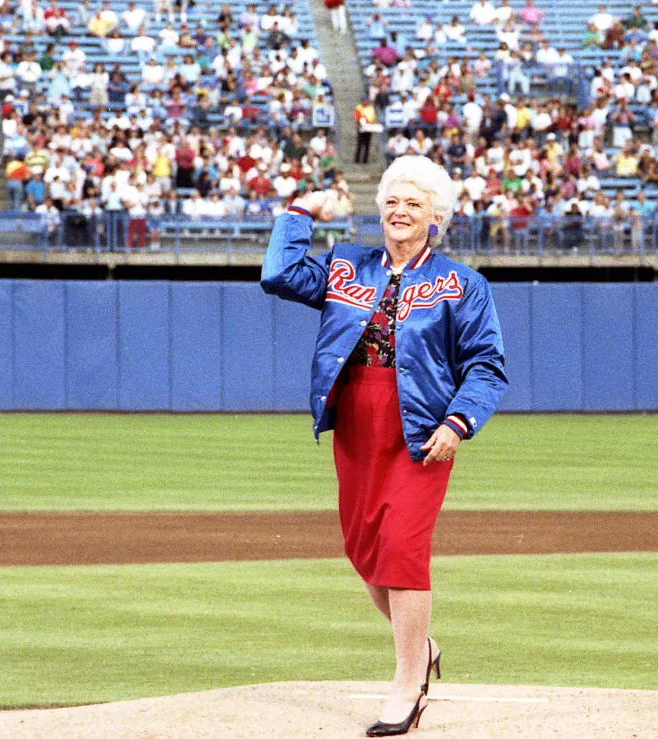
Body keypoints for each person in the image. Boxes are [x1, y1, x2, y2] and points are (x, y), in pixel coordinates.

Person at [261, 155, 507, 737]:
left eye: (413, 204)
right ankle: (422, 647)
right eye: (393, 202)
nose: (399, 212)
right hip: (355, 420)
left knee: (401, 547)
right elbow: (278, 275)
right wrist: (302, 212)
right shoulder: (347, 265)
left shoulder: (462, 283)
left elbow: (487, 366)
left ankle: (407, 684)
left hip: (421, 427)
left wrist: (458, 423)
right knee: (365, 549)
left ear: (436, 219)